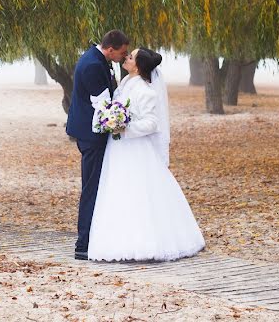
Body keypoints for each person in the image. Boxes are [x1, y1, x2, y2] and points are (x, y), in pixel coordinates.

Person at [87, 48, 205, 262]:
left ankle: (145, 242)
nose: (126, 58)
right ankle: (117, 239)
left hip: (135, 148)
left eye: (131, 57)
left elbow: (151, 123)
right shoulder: (125, 84)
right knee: (118, 189)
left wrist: (123, 128)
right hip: (119, 149)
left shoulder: (145, 91)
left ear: (138, 66)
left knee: (138, 191)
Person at [66, 30, 130, 260]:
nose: (124, 57)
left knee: (95, 185)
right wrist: (119, 119)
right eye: (122, 53)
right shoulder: (93, 65)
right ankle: (83, 243)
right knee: (91, 187)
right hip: (91, 136)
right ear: (110, 48)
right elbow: (103, 107)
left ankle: (92, 238)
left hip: (88, 132)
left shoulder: (95, 58)